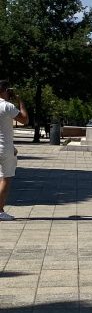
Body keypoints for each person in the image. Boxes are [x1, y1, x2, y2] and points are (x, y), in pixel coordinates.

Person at [0, 80, 29, 222]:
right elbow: (24, 120)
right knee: (6, 177)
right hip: (4, 147)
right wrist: (21, 101)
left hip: (5, 146)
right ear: (5, 90)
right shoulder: (7, 106)